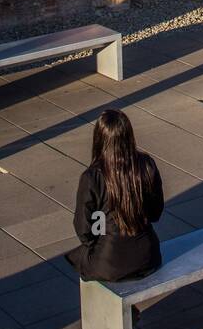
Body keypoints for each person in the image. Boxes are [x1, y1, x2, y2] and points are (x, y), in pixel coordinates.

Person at [65, 109, 164, 284]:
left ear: (99, 139)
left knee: (79, 258)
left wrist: (103, 232)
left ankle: (104, 310)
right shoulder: (147, 165)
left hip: (109, 263)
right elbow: (155, 213)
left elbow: (84, 229)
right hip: (148, 257)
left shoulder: (92, 177)